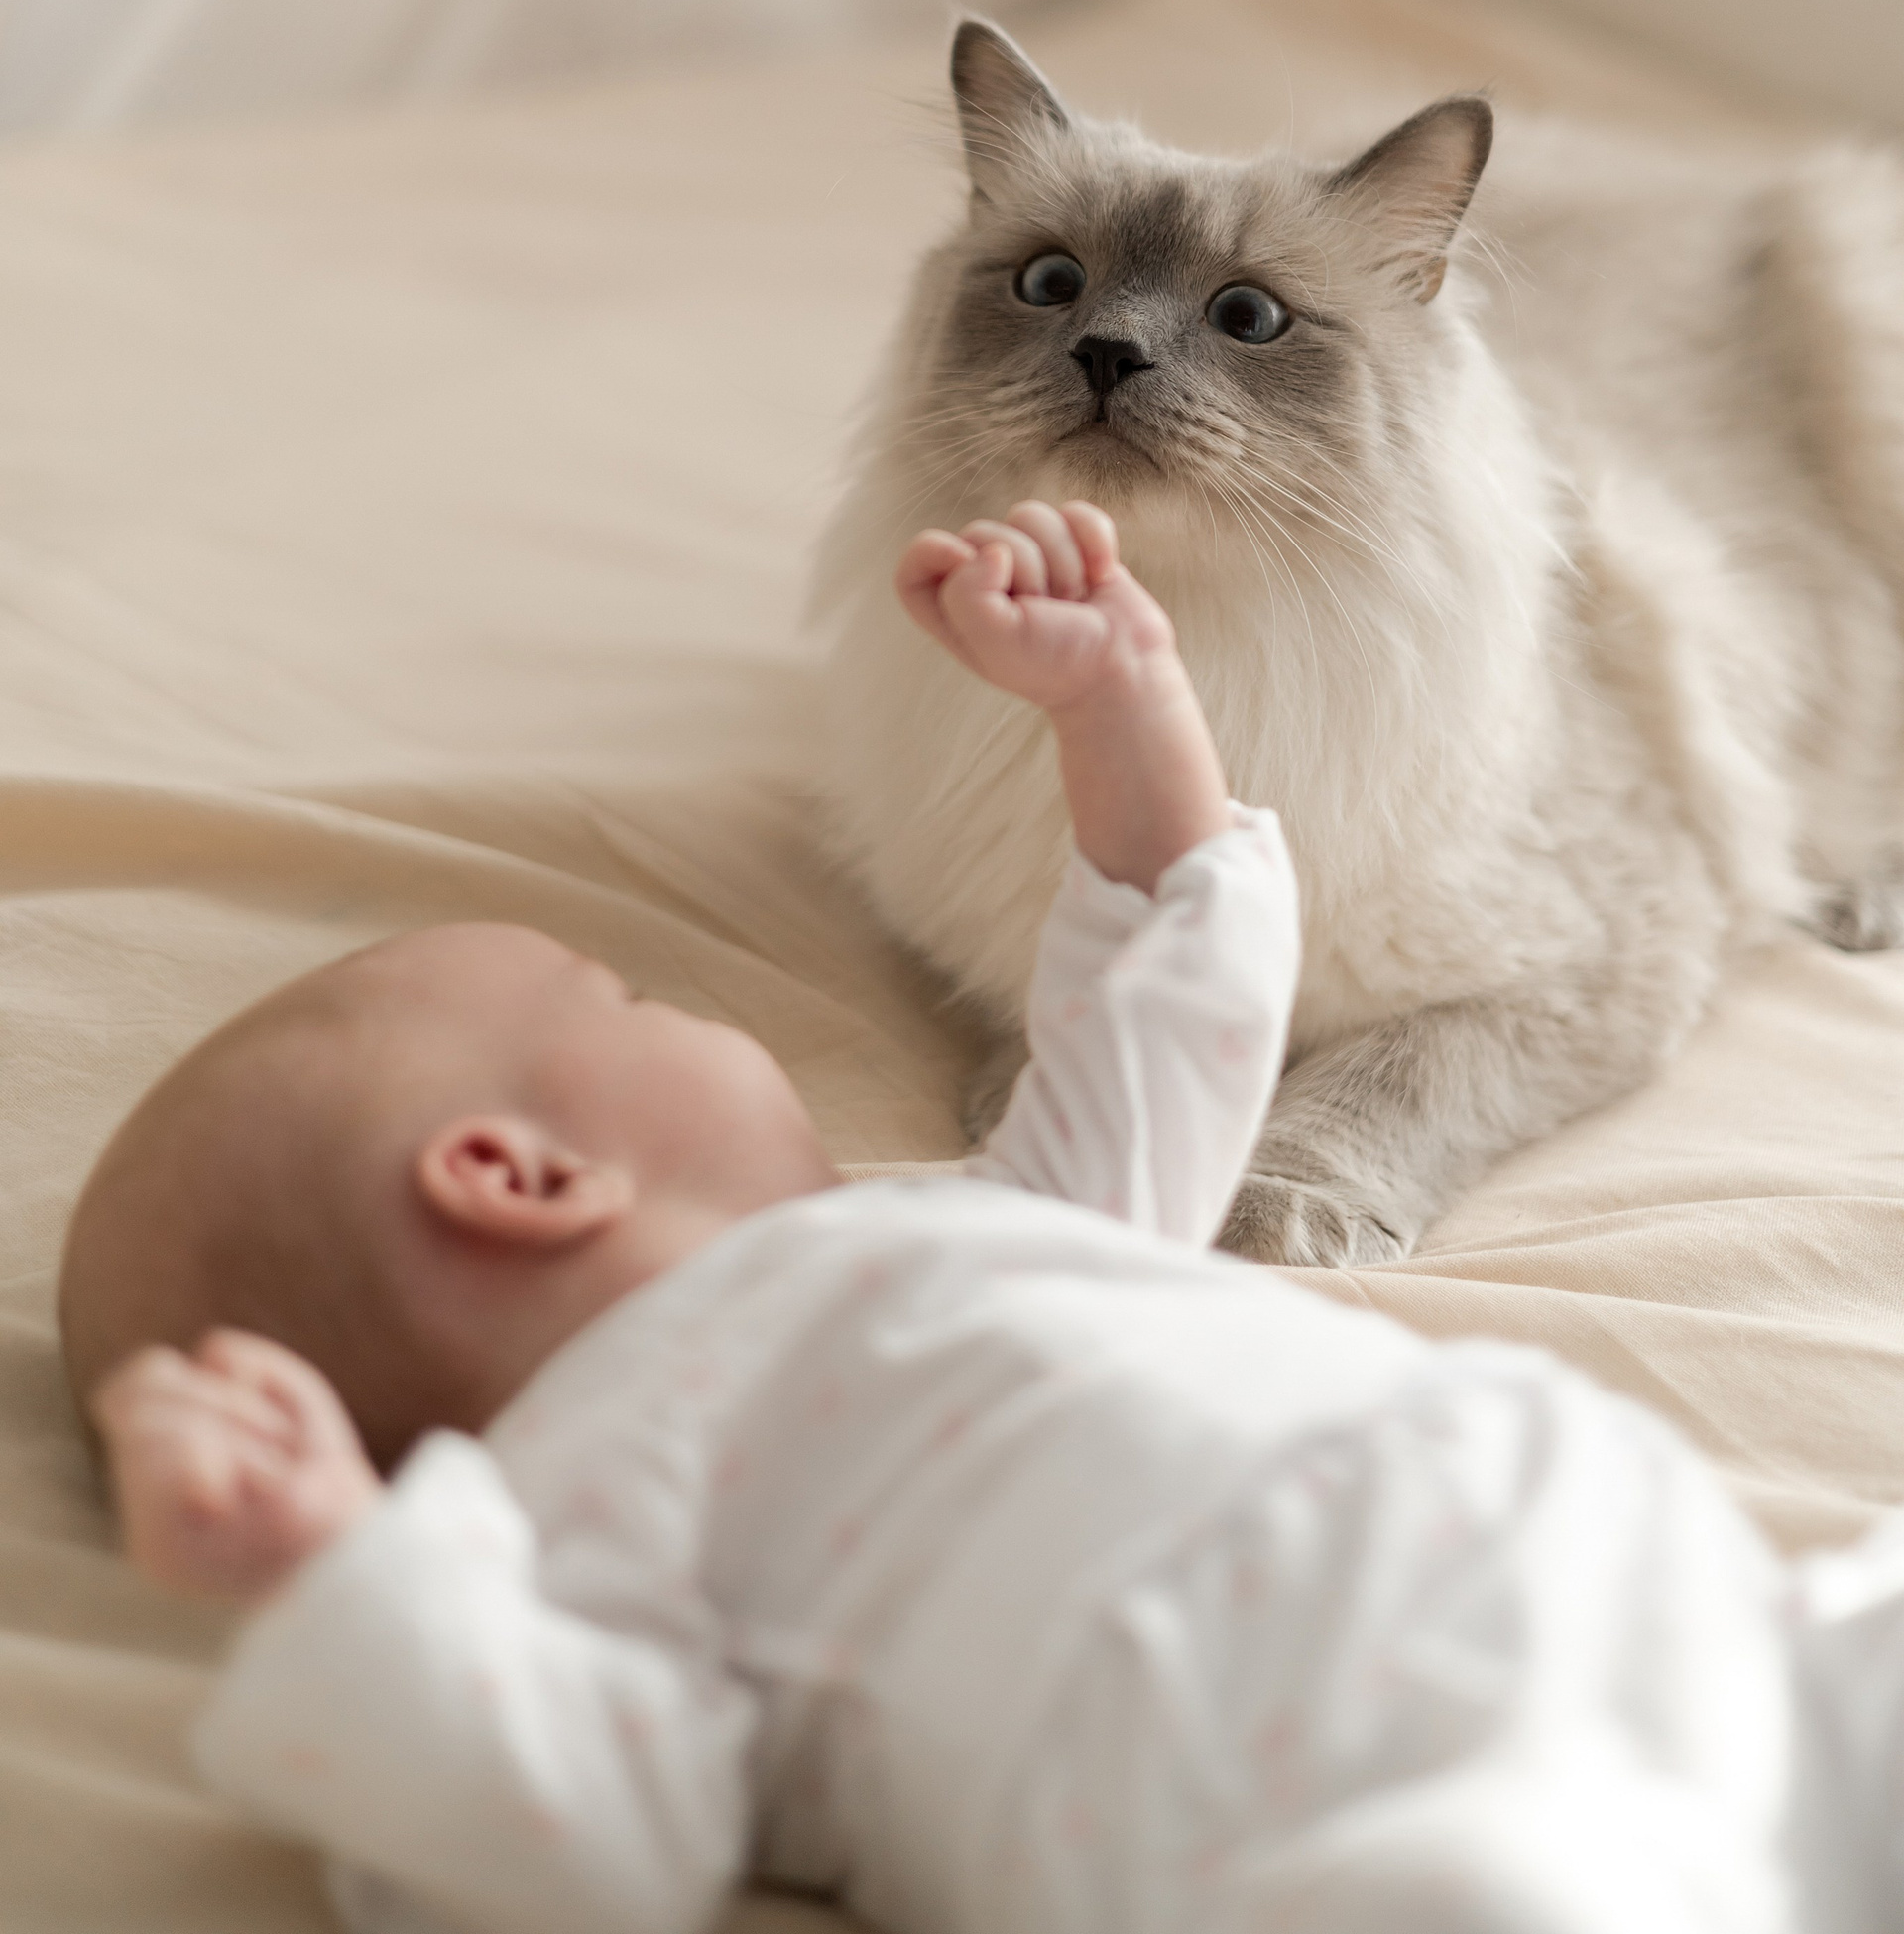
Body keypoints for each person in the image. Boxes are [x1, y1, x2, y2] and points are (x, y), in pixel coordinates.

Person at [61, 504, 1892, 1934]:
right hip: (1355, 1778)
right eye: (622, 1002)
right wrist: (347, 1584)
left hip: (1681, 1611)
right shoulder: (569, 1513)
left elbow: (1166, 1039)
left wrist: (1124, 715)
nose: (682, 1003)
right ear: (522, 1178)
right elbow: (581, 1843)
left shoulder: (986, 1231)